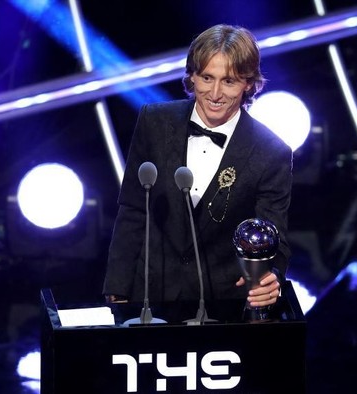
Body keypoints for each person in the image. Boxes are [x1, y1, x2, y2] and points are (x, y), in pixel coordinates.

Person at [102, 24, 293, 311]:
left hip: (223, 304)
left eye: (228, 81)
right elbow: (132, 210)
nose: (215, 93)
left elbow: (273, 235)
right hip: (150, 297)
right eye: (207, 78)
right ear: (192, 76)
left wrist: (271, 277)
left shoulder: (271, 151)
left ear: (249, 83)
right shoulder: (154, 122)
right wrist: (117, 290)